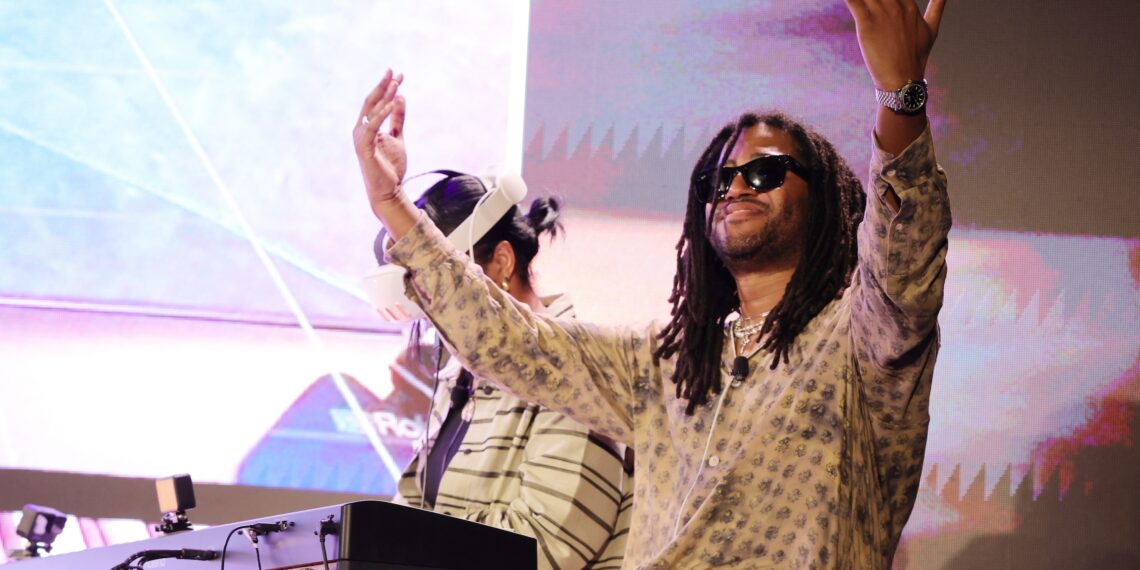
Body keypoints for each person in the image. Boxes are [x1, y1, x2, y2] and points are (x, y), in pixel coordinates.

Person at [355, 0, 949, 567]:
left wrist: (900, 99)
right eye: (718, 181)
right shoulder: (665, 362)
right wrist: (391, 203)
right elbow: (509, 343)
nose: (735, 188)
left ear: (821, 199)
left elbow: (905, 256)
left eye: (764, 171)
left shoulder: (862, 341)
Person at [380, 172, 633, 570]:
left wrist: (416, 549)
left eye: (445, 284)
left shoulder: (575, 372)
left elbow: (548, 545)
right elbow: (412, 507)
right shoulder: (459, 375)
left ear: (501, 262)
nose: (433, 306)